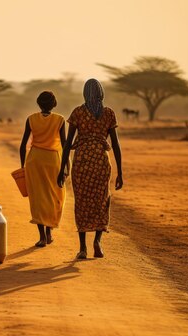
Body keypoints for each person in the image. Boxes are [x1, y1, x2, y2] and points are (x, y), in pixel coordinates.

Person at [58, 79, 123, 259]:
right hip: (102, 163)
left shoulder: (78, 113)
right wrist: (120, 173)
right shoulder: (109, 113)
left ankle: (83, 248)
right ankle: (98, 241)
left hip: (82, 162)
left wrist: (61, 169)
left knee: (82, 202)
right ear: (101, 93)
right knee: (101, 200)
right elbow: (116, 145)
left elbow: (67, 144)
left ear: (85, 94)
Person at [19, 91, 67, 247]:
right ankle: (49, 232)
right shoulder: (60, 120)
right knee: (55, 196)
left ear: (38, 104)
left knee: (38, 198)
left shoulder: (31, 119)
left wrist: (22, 166)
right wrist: (66, 166)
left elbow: (22, 145)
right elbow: (65, 146)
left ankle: (42, 237)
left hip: (34, 161)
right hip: (53, 161)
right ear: (54, 104)